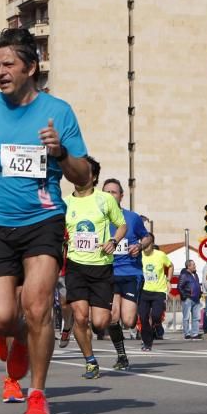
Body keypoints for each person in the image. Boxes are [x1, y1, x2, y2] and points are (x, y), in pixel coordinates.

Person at [0, 27, 92, 414]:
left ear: (31, 66)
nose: (0, 71)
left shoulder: (58, 112)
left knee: (39, 307)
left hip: (43, 219)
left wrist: (60, 151)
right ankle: (21, 338)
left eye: (8, 63)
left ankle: (37, 394)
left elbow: (82, 176)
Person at [63, 157, 126, 380]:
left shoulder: (105, 200)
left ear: (94, 177)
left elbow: (121, 225)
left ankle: (108, 338)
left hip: (101, 268)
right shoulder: (65, 202)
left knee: (99, 323)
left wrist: (114, 241)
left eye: (85, 172)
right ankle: (90, 361)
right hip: (75, 266)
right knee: (80, 317)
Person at [101, 178, 152, 370]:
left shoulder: (132, 217)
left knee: (129, 321)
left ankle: (137, 327)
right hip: (109, 272)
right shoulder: (99, 218)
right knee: (113, 317)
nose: (110, 195)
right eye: (106, 192)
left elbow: (147, 237)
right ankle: (121, 356)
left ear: (121, 196)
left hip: (131, 273)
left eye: (114, 192)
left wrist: (139, 246)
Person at [139, 236, 173, 351]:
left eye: (147, 245)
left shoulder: (160, 255)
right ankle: (147, 343)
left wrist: (168, 280)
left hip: (159, 291)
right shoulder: (138, 255)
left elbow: (170, 265)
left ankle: (156, 326)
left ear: (152, 243)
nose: (145, 247)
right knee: (143, 318)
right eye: (143, 244)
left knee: (156, 316)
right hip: (143, 291)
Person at [177, 259, 203, 340]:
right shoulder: (184, 275)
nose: (195, 266)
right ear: (188, 266)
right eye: (193, 265)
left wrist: (200, 293)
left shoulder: (195, 275)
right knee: (186, 317)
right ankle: (187, 333)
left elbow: (197, 285)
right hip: (188, 299)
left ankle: (195, 333)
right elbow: (179, 286)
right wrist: (185, 296)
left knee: (196, 317)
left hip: (196, 299)